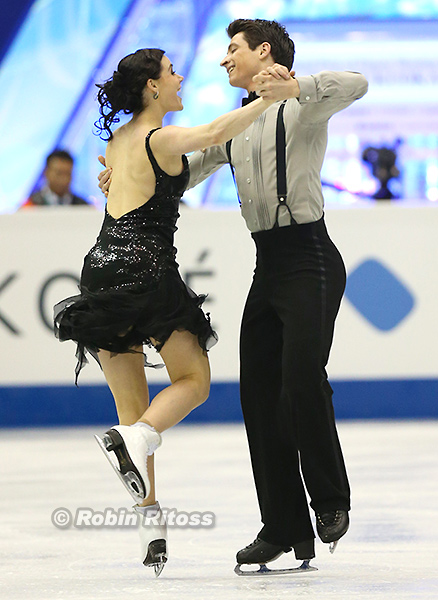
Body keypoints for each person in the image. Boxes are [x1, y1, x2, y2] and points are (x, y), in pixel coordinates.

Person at [98, 21, 368, 574]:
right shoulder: (235, 125)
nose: (224, 60)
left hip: (311, 258)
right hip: (267, 264)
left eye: (233, 50)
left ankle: (331, 501)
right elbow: (187, 166)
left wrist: (298, 87)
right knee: (259, 394)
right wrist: (133, 180)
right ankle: (282, 526)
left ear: (262, 52)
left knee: (300, 377)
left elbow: (357, 83)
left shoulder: (302, 103)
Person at [53, 47, 276, 576]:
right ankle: (131, 441)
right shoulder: (162, 137)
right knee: (193, 381)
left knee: (136, 409)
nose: (180, 79)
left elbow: (125, 182)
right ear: (152, 88)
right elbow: (219, 132)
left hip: (101, 268)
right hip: (146, 272)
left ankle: (150, 528)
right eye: (172, 73)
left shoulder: (118, 140)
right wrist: (266, 98)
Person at [25, 149, 90, 207]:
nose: (63, 179)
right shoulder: (31, 205)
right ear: (46, 172)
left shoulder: (83, 206)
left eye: (67, 174)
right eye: (59, 173)